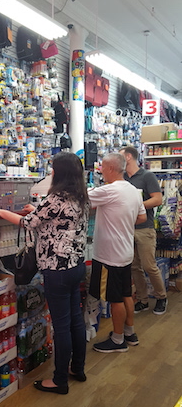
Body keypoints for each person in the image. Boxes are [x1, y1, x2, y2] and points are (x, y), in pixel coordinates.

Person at [0, 152, 89, 395]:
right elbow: (53, 218)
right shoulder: (82, 197)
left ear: (59, 173)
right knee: (75, 320)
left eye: (53, 169)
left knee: (61, 326)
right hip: (76, 267)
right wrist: (38, 209)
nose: (51, 172)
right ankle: (78, 368)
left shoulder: (56, 198)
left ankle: (59, 380)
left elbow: (27, 223)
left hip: (57, 270)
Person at [88, 153, 147, 353]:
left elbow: (79, 200)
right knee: (125, 294)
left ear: (111, 169)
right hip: (125, 252)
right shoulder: (133, 190)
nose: (101, 171)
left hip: (109, 255)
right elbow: (141, 217)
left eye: (103, 167)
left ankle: (118, 339)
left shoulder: (108, 190)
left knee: (115, 299)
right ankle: (129, 332)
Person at [120, 146, 167, 315]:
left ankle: (161, 297)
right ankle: (142, 299)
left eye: (120, 157)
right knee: (134, 267)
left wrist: (136, 206)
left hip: (144, 228)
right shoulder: (122, 178)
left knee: (149, 265)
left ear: (128, 157)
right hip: (127, 229)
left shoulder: (147, 176)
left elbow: (157, 199)